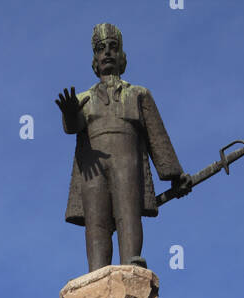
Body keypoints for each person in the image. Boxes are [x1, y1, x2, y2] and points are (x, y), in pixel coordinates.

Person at [57, 23, 192, 271]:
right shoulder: (83, 100)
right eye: (100, 49)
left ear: (122, 58)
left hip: (126, 159)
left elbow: (157, 137)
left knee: (127, 210)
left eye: (112, 48)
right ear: (94, 61)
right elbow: (73, 126)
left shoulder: (139, 94)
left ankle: (131, 260)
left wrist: (174, 175)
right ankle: (96, 272)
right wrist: (69, 112)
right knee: (96, 220)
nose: (107, 53)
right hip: (92, 166)